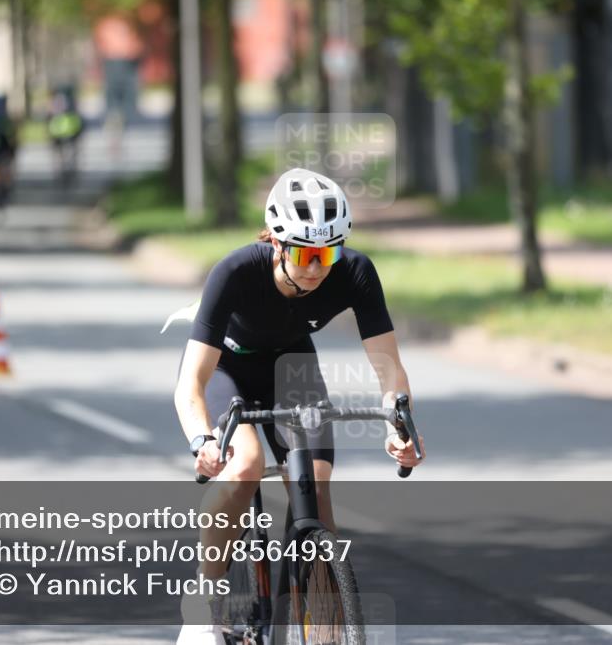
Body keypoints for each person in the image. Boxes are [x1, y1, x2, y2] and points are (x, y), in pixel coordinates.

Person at [173, 168, 425, 644]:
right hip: (227, 367)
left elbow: (389, 367)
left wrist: (399, 424)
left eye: (328, 253)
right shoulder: (235, 271)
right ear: (277, 242)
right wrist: (202, 439)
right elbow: (191, 382)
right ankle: (205, 605)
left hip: (290, 365)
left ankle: (321, 618)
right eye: (306, 254)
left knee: (314, 479)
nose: (316, 268)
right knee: (245, 465)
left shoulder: (355, 272)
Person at [47, 86, 84, 182]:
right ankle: (66, 170)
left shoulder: (55, 102)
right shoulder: (70, 103)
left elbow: (49, 119)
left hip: (60, 133)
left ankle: (63, 170)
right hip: (68, 133)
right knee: (67, 155)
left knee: (63, 155)